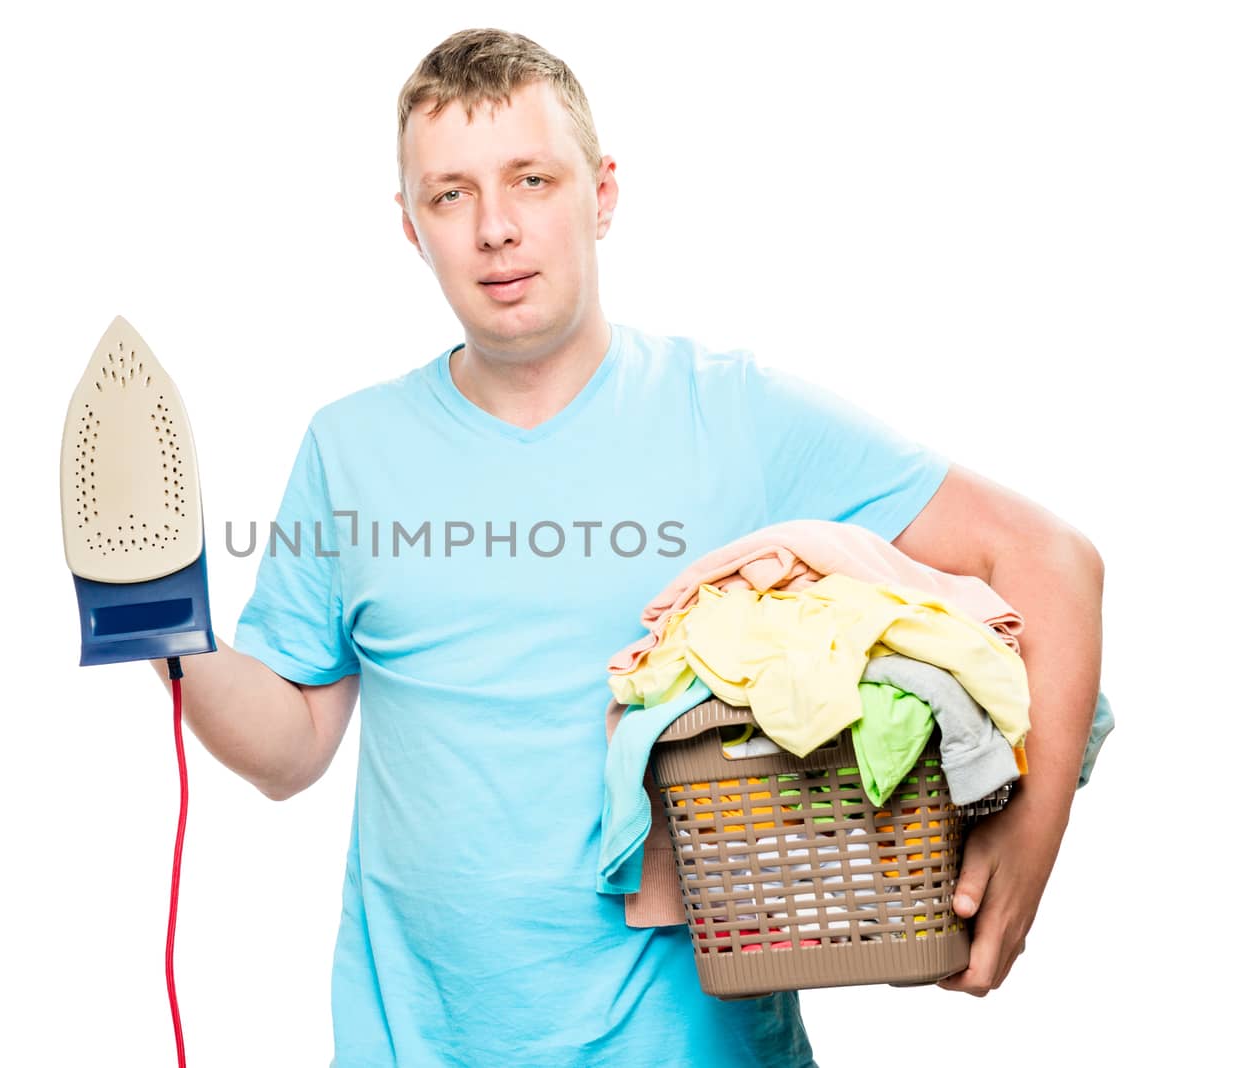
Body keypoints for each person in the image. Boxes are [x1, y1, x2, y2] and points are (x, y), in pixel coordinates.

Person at [151, 27, 1104, 1068]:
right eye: (451, 195)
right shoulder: (349, 448)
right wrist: (162, 613)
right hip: (414, 1045)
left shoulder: (732, 413)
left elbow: (1049, 562)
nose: (496, 229)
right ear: (409, 226)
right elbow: (291, 751)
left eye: (532, 179)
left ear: (601, 194)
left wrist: (1031, 832)